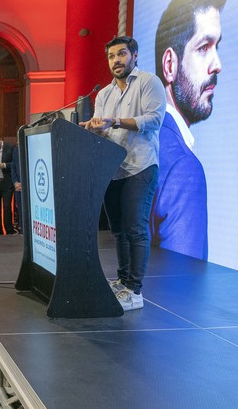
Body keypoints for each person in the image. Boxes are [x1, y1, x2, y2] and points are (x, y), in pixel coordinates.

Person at [80, 36, 166, 311]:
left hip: (140, 166)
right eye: (111, 56)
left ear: (134, 56)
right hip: (112, 169)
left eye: (121, 54)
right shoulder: (104, 94)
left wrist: (114, 120)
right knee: (118, 231)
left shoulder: (148, 82)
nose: (116, 61)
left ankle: (135, 291)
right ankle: (123, 280)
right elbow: (105, 129)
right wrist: (94, 127)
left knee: (136, 229)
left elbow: (155, 120)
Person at [150, 0, 229, 261]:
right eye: (204, 47)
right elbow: (181, 291)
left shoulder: (146, 139)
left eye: (217, 46)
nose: (217, 63)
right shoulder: (184, 168)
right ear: (170, 65)